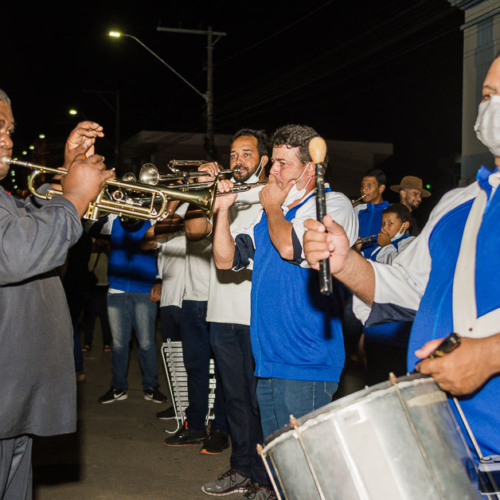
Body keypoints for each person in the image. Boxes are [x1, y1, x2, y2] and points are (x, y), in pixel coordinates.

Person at [303, 55, 500, 462]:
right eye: (487, 94)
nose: (491, 106)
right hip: (447, 439)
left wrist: (489, 354)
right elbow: (411, 288)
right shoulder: (459, 204)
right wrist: (345, 263)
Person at [212, 124, 357, 499]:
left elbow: (291, 248)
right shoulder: (271, 215)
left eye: (282, 163)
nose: (272, 171)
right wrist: (222, 213)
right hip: (270, 361)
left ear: (309, 169)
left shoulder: (332, 203)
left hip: (306, 360)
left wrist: (273, 206)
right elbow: (226, 259)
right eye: (273, 162)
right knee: (280, 470)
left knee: (305, 473)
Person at [0, 88, 114, 499]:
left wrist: (68, 170)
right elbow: (15, 253)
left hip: (12, 397)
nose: (10, 140)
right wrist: (76, 195)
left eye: (10, 130)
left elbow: (36, 229)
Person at [183, 130, 270, 495]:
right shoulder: (222, 190)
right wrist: (203, 191)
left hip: (256, 313)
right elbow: (193, 231)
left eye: (246, 154)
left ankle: (267, 475)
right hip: (221, 311)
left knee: (259, 401)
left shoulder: (270, 194)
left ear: (263, 160)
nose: (238, 161)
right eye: (233, 154)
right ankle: (241, 468)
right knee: (234, 398)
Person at [94, 213, 167, 405]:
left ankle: (151, 386)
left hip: (144, 288)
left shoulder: (153, 220)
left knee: (146, 343)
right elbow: (91, 227)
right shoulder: (113, 219)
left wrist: (159, 280)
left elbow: (162, 252)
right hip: (116, 288)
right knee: (118, 344)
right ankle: (119, 386)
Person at [363, 203, 415, 385]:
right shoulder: (380, 246)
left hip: (397, 329)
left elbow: (399, 272)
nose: (384, 228)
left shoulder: (412, 245)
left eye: (390, 224)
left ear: (404, 225)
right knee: (374, 379)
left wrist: (385, 247)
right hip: (376, 326)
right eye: (383, 223)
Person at [354, 168, 389, 259]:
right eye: (362, 185)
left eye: (369, 185)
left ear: (381, 188)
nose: (364, 189)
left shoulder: (390, 211)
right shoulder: (357, 210)